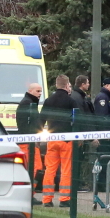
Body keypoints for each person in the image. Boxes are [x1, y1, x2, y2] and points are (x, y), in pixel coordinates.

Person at [38, 75, 78, 207]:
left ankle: (47, 199)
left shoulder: (49, 100)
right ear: (67, 86)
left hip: (52, 139)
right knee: (66, 170)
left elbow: (41, 119)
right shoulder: (70, 101)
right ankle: (64, 199)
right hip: (66, 139)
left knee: (50, 169)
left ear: (56, 85)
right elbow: (76, 120)